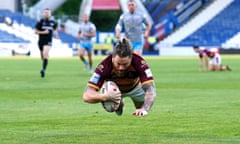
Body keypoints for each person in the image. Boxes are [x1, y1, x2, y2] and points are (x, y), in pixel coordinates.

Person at [83, 38, 156, 117]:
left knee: (140, 110)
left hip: (135, 88)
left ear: (131, 58)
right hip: (113, 90)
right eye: (118, 64)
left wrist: (144, 109)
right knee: (113, 108)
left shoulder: (140, 63)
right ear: (113, 58)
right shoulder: (104, 66)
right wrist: (104, 96)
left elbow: (151, 89)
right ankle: (119, 104)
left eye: (125, 64)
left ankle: (135, 104)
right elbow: (86, 95)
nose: (121, 68)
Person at [35, 8, 59, 78]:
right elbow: (35, 32)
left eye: (48, 13)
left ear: (50, 14)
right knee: (43, 57)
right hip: (41, 41)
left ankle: (43, 70)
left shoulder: (54, 22)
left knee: (45, 54)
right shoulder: (40, 22)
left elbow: (55, 29)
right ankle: (44, 64)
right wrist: (43, 32)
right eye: (45, 13)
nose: (47, 14)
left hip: (48, 41)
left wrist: (56, 35)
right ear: (43, 14)